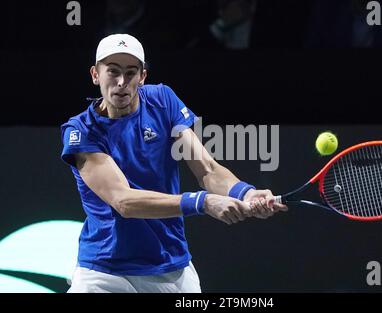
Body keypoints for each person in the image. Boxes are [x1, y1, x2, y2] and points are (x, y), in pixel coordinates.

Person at [60, 33, 287, 293]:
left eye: (131, 73)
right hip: (103, 272)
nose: (122, 82)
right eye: (112, 72)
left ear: (143, 77)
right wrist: (202, 202)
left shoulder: (162, 100)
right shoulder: (81, 131)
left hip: (169, 265)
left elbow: (207, 169)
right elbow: (124, 201)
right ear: (95, 75)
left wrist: (244, 192)